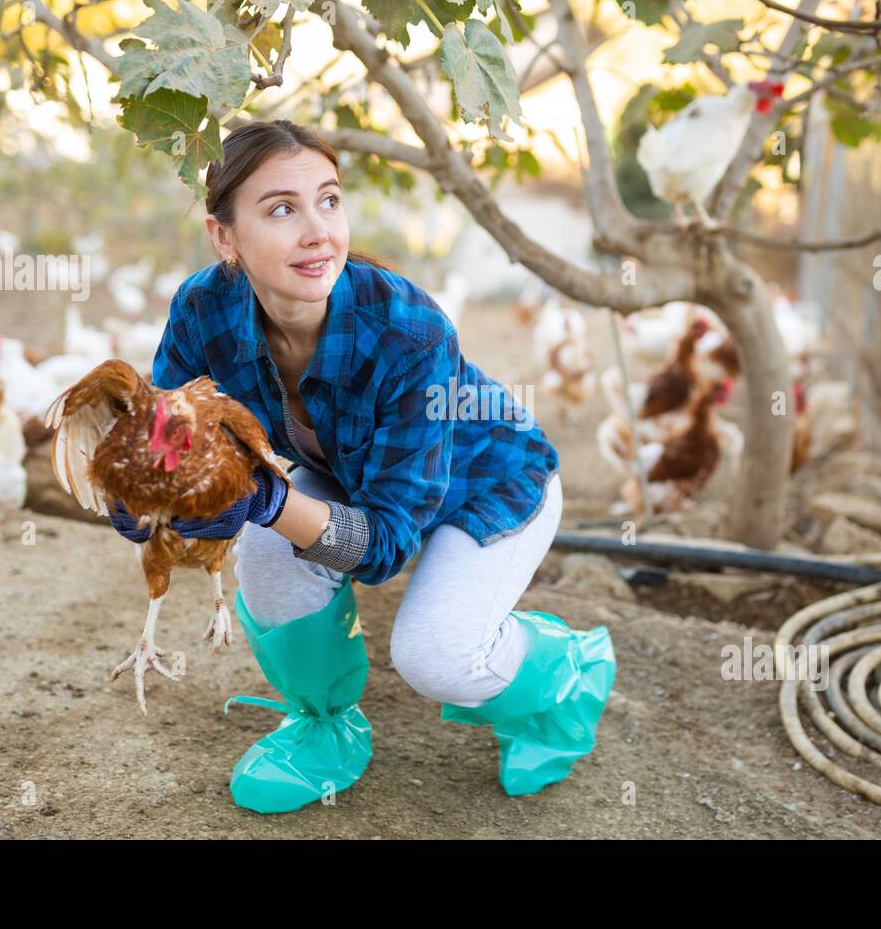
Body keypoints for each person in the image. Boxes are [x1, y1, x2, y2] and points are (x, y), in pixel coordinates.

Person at [113, 118, 616, 814]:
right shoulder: (204, 308)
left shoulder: (409, 329)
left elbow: (381, 551)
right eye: (282, 209)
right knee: (267, 552)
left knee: (434, 656)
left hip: (491, 482)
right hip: (352, 472)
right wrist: (146, 492)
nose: (319, 231)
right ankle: (324, 725)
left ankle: (564, 672)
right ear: (224, 237)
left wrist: (262, 500)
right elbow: (174, 437)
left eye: (329, 200)